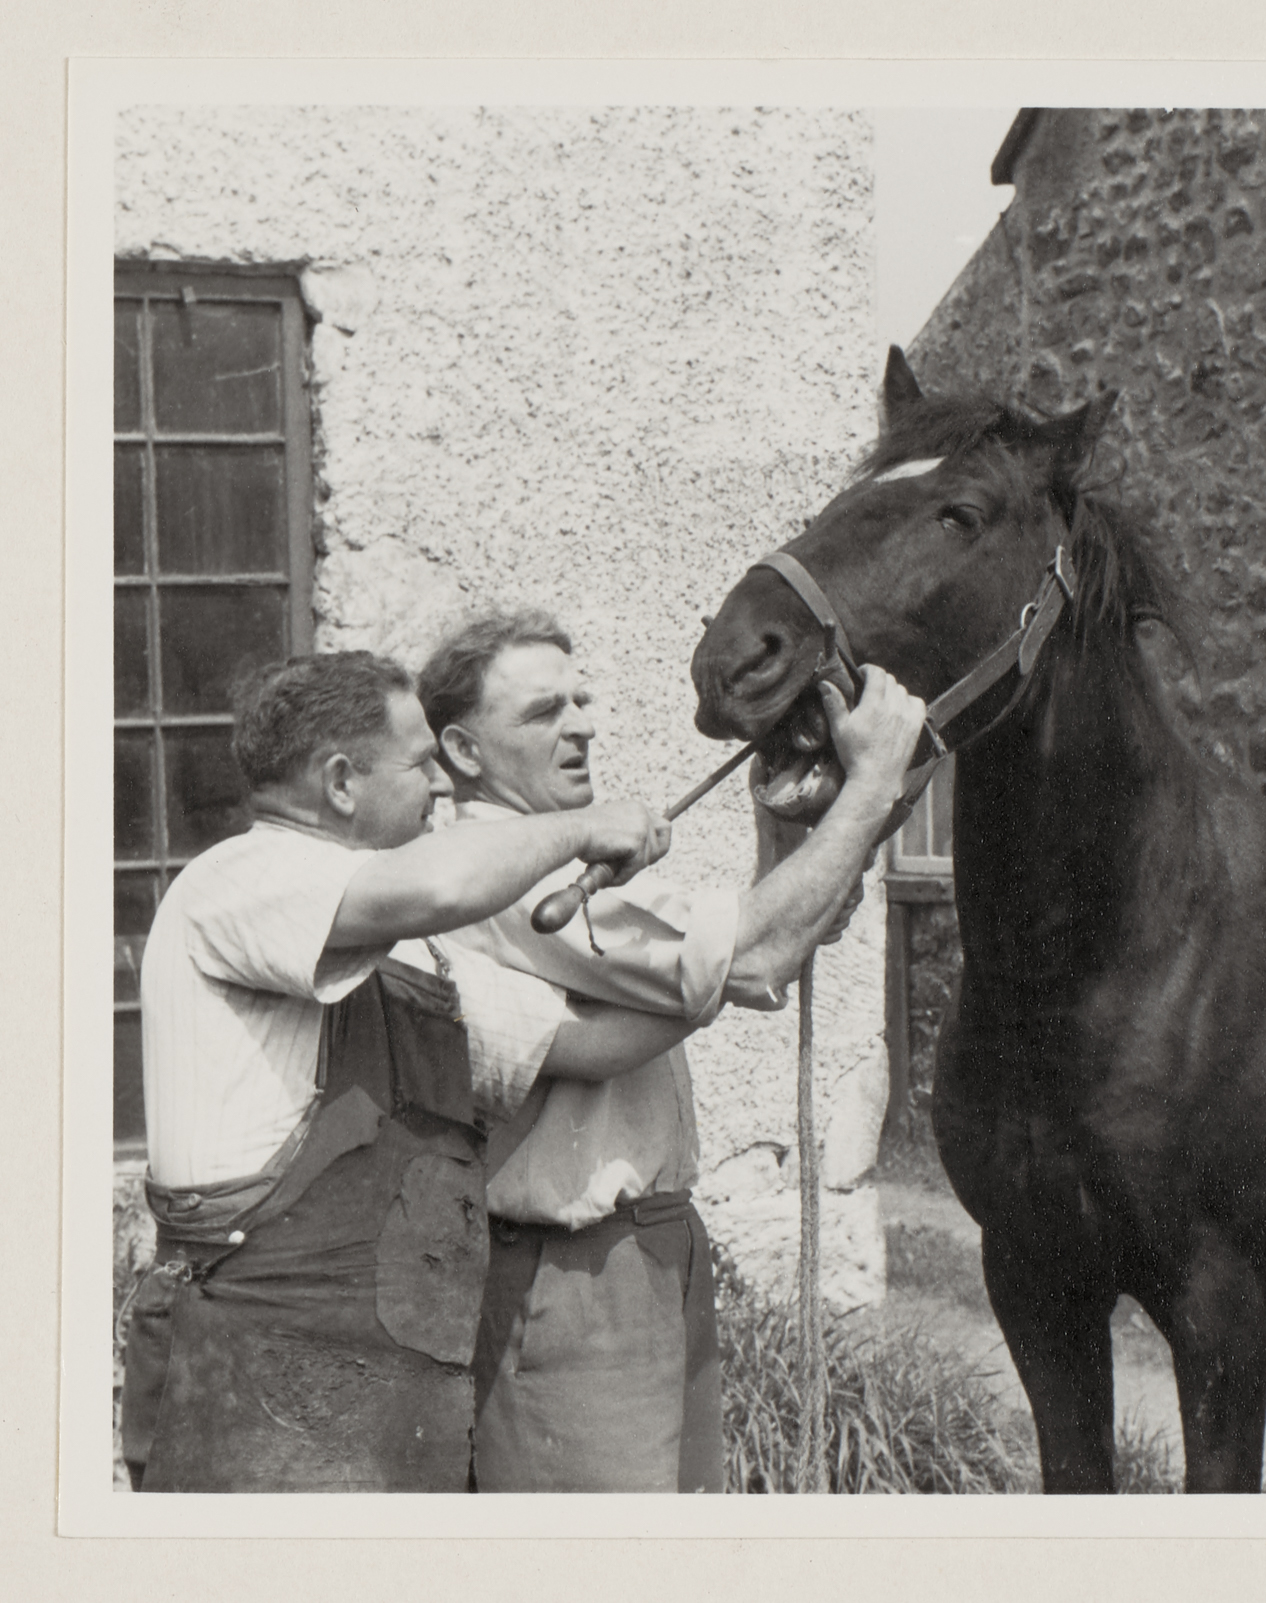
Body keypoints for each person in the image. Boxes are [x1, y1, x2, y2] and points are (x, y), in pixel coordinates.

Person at [123, 650, 687, 1493]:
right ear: (340, 782)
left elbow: (594, 1043)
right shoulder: (241, 878)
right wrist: (582, 828)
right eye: (422, 764)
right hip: (255, 1368)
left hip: (387, 1384)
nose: (443, 787)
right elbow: (442, 885)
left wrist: (730, 956)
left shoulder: (407, 952)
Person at [417, 611, 925, 1492]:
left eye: (581, 700)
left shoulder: (551, 856)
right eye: (544, 711)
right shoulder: (490, 868)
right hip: (569, 1276)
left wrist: (785, 825)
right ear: (463, 750)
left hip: (649, 1253)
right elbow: (752, 957)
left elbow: (756, 953)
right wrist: (872, 783)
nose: (581, 725)